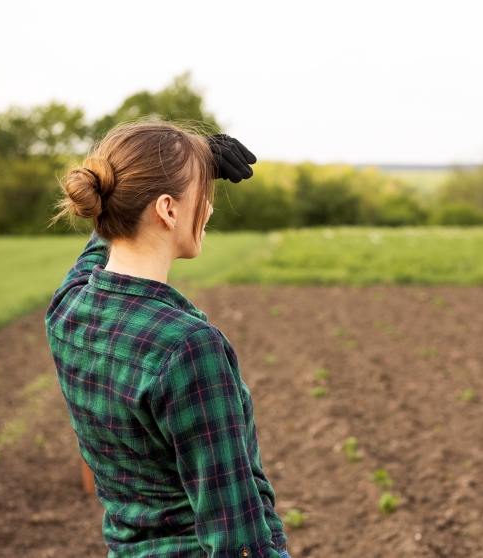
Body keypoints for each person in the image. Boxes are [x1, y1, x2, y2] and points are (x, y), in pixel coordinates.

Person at [45, 122, 289, 558]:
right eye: (203, 197)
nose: (209, 210)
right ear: (168, 210)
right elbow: (237, 537)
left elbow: (102, 239)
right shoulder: (187, 347)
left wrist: (189, 162)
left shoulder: (68, 308)